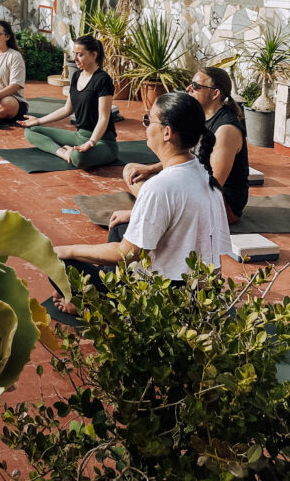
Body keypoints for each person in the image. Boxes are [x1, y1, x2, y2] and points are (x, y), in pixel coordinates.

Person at [52, 91, 232, 314]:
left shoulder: (161, 186)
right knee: (120, 227)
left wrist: (65, 250)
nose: (145, 126)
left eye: (148, 120)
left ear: (167, 133)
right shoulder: (202, 172)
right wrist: (132, 215)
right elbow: (184, 216)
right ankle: (106, 291)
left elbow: (125, 253)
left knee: (56, 262)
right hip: (202, 295)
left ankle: (102, 305)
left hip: (166, 304)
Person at [123, 67, 249, 222]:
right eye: (191, 84)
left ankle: (155, 209)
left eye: (196, 86)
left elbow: (213, 187)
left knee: (158, 188)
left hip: (221, 205)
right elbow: (184, 157)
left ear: (215, 93)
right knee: (130, 170)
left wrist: (175, 188)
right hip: (195, 184)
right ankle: (156, 205)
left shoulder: (226, 130)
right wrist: (151, 169)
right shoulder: (199, 116)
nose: (189, 88)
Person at [18, 35, 117, 169]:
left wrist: (91, 142)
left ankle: (73, 153)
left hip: (102, 141)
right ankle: (64, 153)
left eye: (80, 55)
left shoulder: (103, 80)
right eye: (74, 54)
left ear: (94, 55)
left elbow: (103, 118)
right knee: (31, 130)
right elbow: (67, 109)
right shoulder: (76, 76)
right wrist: (39, 121)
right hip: (80, 135)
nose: (75, 59)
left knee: (78, 157)